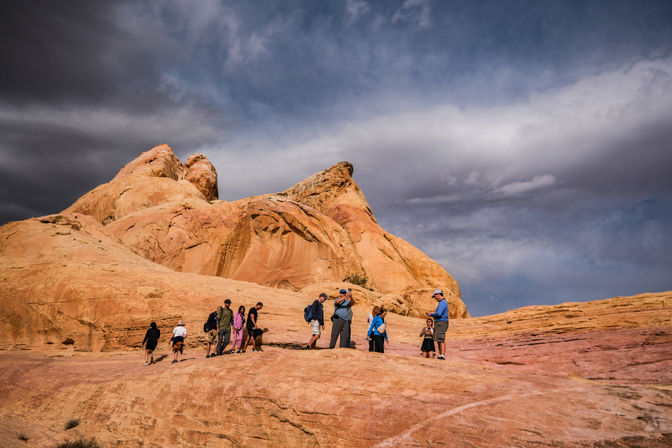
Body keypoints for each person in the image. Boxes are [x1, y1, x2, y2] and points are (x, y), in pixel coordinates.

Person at [426, 289, 449, 360]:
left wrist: (431, 314)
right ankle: (440, 355)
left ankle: (442, 355)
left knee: (441, 339)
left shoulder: (443, 302)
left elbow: (439, 313)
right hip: (439, 322)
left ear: (438, 294)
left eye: (435, 296)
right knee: (439, 339)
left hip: (441, 322)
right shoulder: (442, 302)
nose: (435, 298)